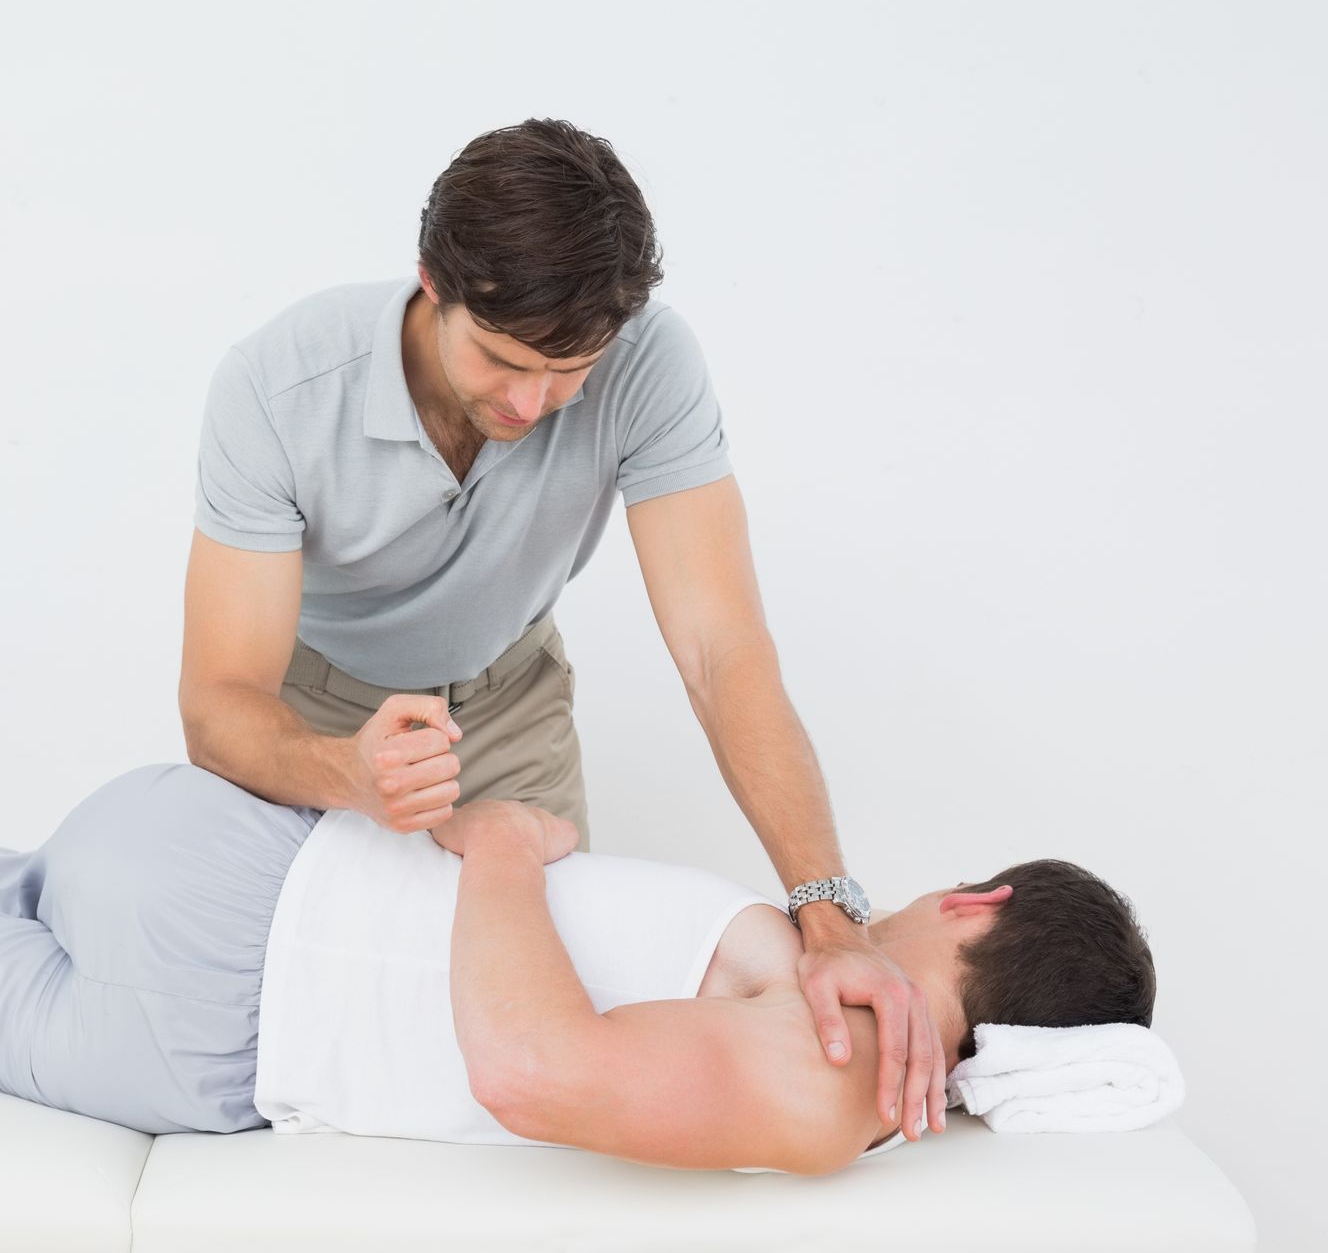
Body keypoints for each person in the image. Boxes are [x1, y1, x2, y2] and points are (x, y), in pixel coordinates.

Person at [178, 117, 947, 1140]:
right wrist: (345, 771)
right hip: (319, 717)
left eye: (569, 369)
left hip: (512, 704)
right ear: (430, 284)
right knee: (309, 1040)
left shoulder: (649, 364)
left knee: (540, 1062)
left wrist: (828, 911)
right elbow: (217, 704)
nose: (534, 400)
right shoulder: (277, 389)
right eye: (502, 360)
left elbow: (724, 654)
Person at [0, 764, 1155, 1177]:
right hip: (233, 886)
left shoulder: (842, 1079)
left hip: (223, 988)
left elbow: (532, 1070)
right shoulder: (834, 1001)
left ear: (980, 902)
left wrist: (493, 855)